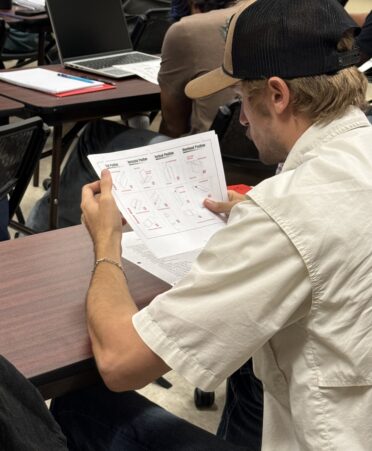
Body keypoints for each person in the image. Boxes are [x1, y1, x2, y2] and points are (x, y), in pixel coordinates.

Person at [48, 0, 372, 449]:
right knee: (249, 365)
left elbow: (120, 362)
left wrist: (106, 242)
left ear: (278, 95)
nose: (240, 118)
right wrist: (256, 212)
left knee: (80, 406)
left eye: (243, 99)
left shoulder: (288, 213)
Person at [26, 0, 245, 231]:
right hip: (261, 169)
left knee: (97, 134)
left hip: (206, 171)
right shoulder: (265, 15)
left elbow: (173, 125)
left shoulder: (188, 29)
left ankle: (42, 232)